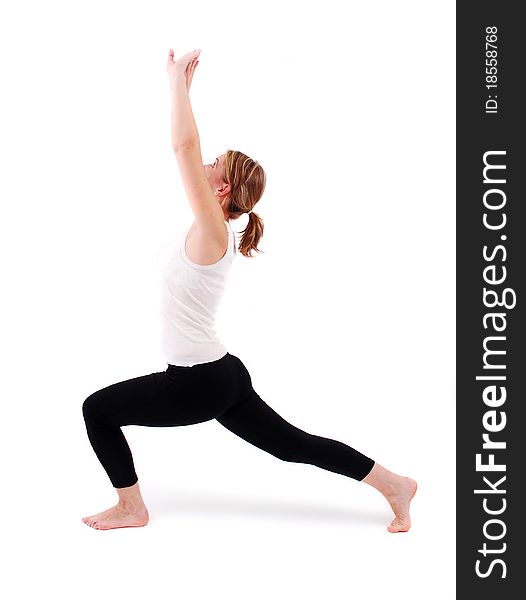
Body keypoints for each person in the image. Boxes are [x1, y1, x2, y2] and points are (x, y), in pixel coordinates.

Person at [81, 48, 417, 532]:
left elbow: (182, 149)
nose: (204, 162)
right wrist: (183, 91)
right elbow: (189, 152)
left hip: (197, 382)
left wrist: (177, 85)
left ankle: (132, 508)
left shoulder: (214, 231)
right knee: (293, 446)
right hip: (221, 374)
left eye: (212, 163)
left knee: (97, 409)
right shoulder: (213, 231)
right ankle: (395, 484)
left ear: (219, 190)